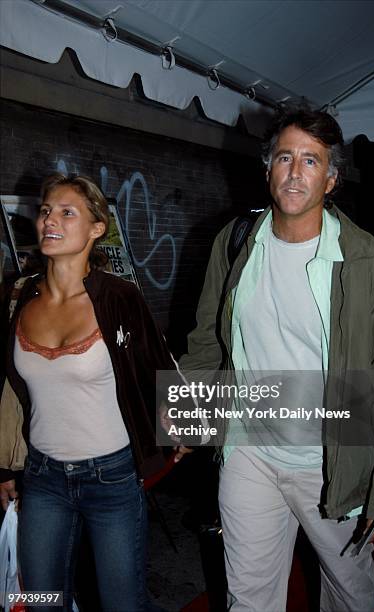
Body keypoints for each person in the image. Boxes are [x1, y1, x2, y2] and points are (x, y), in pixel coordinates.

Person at [179, 107, 374, 611]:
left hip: (332, 462)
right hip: (249, 452)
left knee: (352, 595)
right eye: (286, 157)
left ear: (331, 179)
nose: (296, 171)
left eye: (311, 160)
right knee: (249, 596)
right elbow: (206, 342)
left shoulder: (370, 263)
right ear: (268, 171)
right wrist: (185, 417)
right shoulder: (236, 242)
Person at [0, 173, 196, 612]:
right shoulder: (17, 297)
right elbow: (7, 392)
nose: (51, 220)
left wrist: (186, 429)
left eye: (68, 212)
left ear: (96, 229)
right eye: (46, 210)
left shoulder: (120, 297)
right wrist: (4, 467)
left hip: (113, 478)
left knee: (121, 603)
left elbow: (158, 365)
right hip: (43, 478)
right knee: (41, 600)